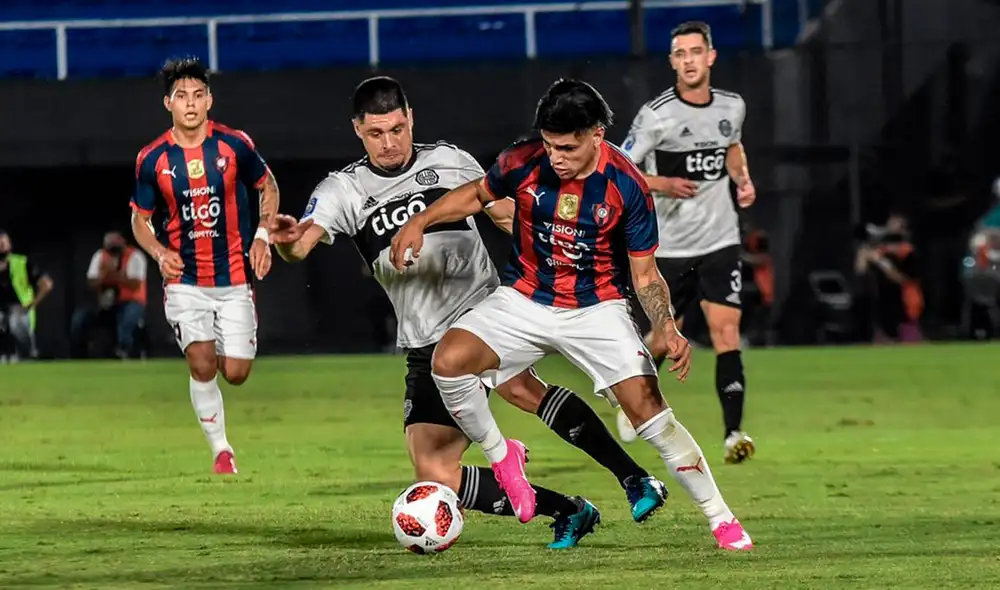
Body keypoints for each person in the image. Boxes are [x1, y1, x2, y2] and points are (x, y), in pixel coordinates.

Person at [270, 76, 667, 549]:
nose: (390, 142)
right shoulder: (344, 189)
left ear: (410, 117)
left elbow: (504, 213)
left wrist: (566, 247)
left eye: (397, 129)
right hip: (423, 339)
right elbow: (304, 242)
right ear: (358, 130)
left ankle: (633, 478)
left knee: (523, 388)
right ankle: (569, 509)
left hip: (481, 313)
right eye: (376, 133)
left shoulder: (449, 161)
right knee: (434, 471)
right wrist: (289, 242)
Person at [389, 78, 752, 551]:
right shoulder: (522, 160)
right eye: (549, 144)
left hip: (595, 309)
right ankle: (504, 460)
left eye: (567, 146)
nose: (555, 156)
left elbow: (645, 274)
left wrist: (665, 326)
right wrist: (421, 220)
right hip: (523, 298)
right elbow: (477, 193)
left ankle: (721, 519)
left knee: (650, 413)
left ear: (597, 135)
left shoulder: (627, 185)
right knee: (449, 361)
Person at [129, 57, 279, 474]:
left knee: (236, 373)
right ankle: (222, 451)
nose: (190, 104)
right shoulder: (152, 158)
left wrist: (263, 234)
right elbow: (138, 220)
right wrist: (159, 253)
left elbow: (268, 185)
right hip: (184, 280)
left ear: (210, 99)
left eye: (198, 95)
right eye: (181, 96)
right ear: (168, 103)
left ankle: (218, 343)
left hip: (232, 278)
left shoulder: (234, 146)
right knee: (201, 362)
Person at [617, 21, 757, 464]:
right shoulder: (658, 114)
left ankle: (733, 433)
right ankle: (633, 401)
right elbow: (621, 164)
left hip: (720, 239)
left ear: (711, 57)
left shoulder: (732, 106)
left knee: (726, 332)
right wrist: (662, 182)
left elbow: (732, 146)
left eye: (697, 51)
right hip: (671, 246)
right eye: (681, 54)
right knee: (660, 337)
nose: (690, 60)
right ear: (673, 61)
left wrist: (742, 178)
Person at [70, 231, 148, 359]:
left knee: (127, 319)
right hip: (106, 302)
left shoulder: (135, 256)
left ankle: (124, 350)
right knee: (80, 318)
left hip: (131, 300)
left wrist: (114, 274)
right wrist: (105, 273)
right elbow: (91, 283)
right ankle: (78, 355)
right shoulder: (100, 256)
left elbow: (135, 284)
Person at [0, 229, 53, 362]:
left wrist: (32, 304)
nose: (2, 246)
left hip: (20, 310)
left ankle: (27, 354)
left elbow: (47, 284)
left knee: (16, 320)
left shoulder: (22, 263)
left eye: (4, 243)